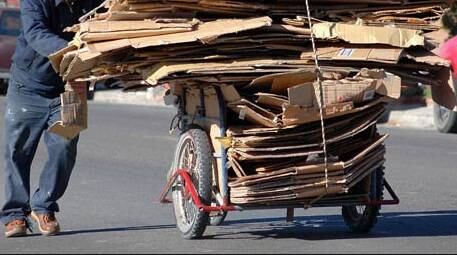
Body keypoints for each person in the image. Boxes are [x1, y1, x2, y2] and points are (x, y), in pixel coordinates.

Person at [1, 0, 103, 238]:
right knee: (17, 152)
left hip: (70, 88)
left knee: (65, 149)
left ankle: (44, 206)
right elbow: (36, 32)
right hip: (27, 88)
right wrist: (74, 50)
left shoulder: (92, 3)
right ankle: (14, 214)